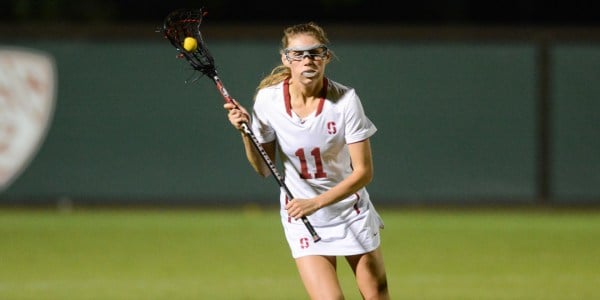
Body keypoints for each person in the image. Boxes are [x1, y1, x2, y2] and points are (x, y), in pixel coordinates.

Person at [224, 22, 390, 300]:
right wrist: (246, 132)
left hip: (350, 212)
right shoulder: (268, 100)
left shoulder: (346, 100)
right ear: (286, 59)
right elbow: (263, 168)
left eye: (315, 53)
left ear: (326, 57)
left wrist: (316, 202)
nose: (307, 60)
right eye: (298, 54)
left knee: (376, 293)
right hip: (301, 217)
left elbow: (363, 172)